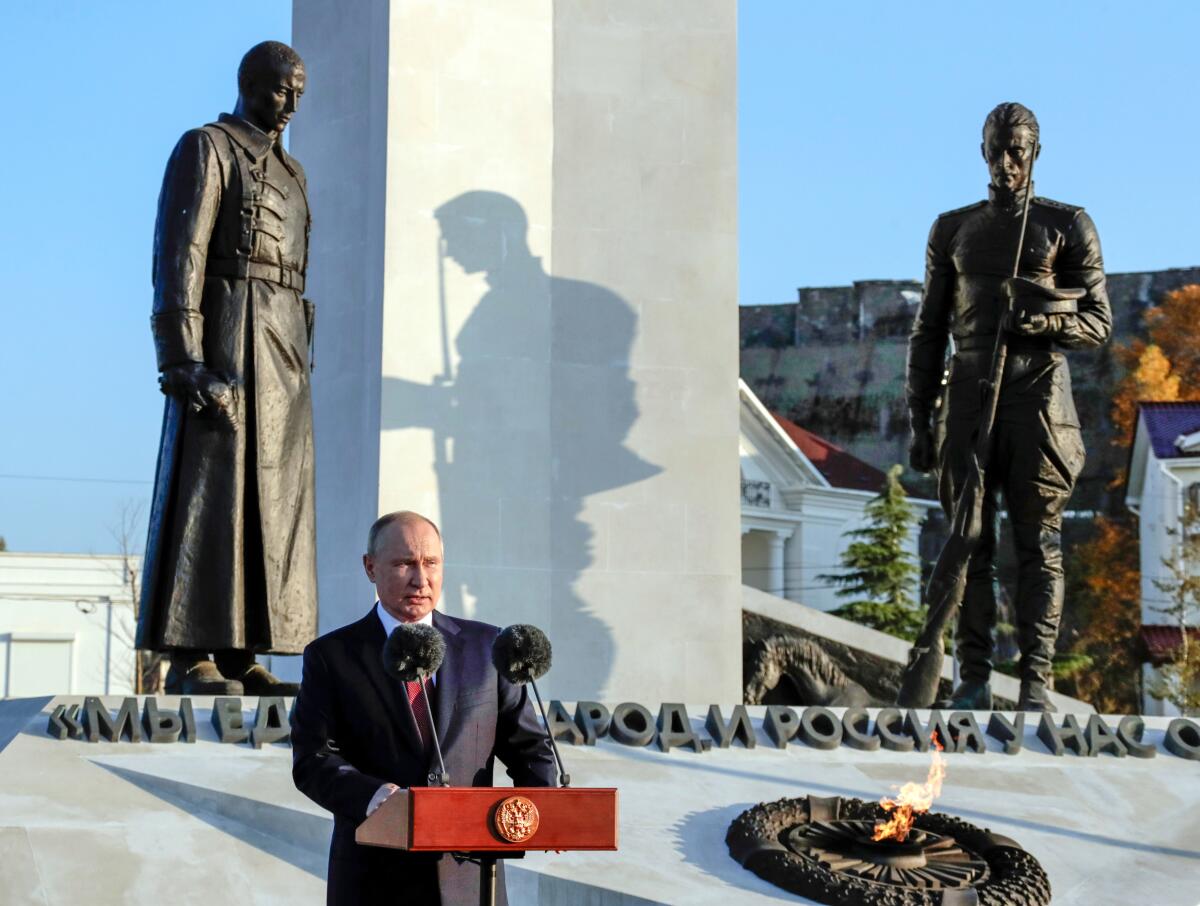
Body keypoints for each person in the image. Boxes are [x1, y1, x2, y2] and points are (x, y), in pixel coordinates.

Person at [906, 102, 1111, 711]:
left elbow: (1098, 321)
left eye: (1017, 148)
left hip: (1041, 394)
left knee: (1038, 541)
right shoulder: (953, 229)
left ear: (1036, 152)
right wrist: (921, 418)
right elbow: (928, 328)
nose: (1006, 160)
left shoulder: (1067, 224)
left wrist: (1042, 319)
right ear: (982, 150)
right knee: (968, 540)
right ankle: (973, 677)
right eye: (996, 147)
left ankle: (1037, 683)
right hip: (968, 388)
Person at [137, 41, 317, 695]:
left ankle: (242, 653)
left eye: (298, 93)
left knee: (271, 504)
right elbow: (179, 251)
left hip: (284, 348)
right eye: (278, 89)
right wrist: (182, 355)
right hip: (227, 330)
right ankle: (192, 653)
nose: (288, 104)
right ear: (248, 84)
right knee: (213, 498)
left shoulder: (293, 173)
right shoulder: (207, 147)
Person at [290, 511, 556, 905]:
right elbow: (313, 760)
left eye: (431, 563)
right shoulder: (332, 657)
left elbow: (530, 748)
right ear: (370, 567)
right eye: (404, 564)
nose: (420, 579)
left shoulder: (487, 648)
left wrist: (543, 808)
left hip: (470, 881)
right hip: (373, 881)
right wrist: (376, 796)